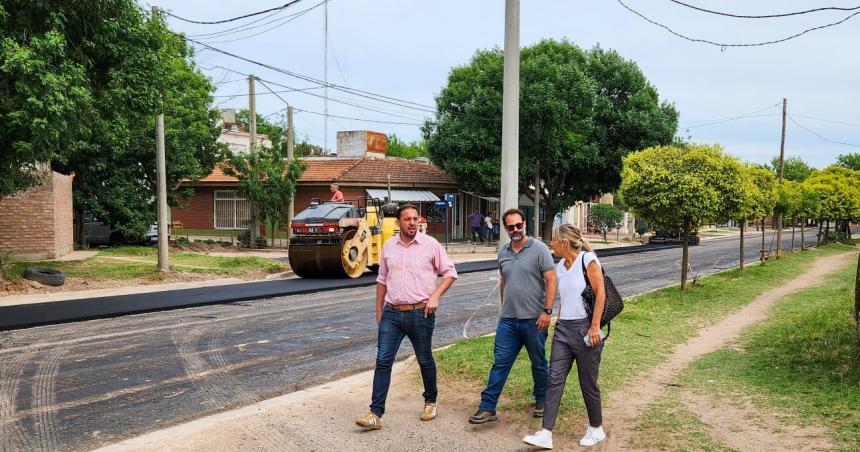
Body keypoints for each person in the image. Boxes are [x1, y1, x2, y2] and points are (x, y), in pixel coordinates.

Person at [356, 203, 458, 430]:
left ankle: (430, 401)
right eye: (407, 219)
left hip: (421, 313)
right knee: (383, 360)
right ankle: (375, 413)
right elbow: (382, 279)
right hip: (392, 314)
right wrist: (379, 310)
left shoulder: (431, 245)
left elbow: (450, 273)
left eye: (415, 219)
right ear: (399, 222)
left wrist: (436, 297)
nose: (412, 223)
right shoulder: (389, 246)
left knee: (424, 359)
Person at [469, 208, 557, 424]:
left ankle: (542, 400)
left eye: (519, 225)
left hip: (534, 320)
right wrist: (503, 309)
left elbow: (552, 280)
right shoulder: (504, 252)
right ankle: (487, 407)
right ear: (506, 228)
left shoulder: (539, 249)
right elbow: (504, 282)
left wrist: (547, 311)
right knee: (500, 363)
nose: (516, 229)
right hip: (508, 321)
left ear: (524, 223)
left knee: (538, 363)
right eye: (511, 227)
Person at [522, 224, 606, 449]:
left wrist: (595, 326)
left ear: (564, 243)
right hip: (563, 330)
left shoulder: (588, 260)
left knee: (587, 382)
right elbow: (566, 299)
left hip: (586, 330)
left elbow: (601, 294)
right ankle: (546, 433)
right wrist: (557, 321)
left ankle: (596, 428)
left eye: (554, 241)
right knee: (554, 379)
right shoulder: (560, 266)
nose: (551, 244)